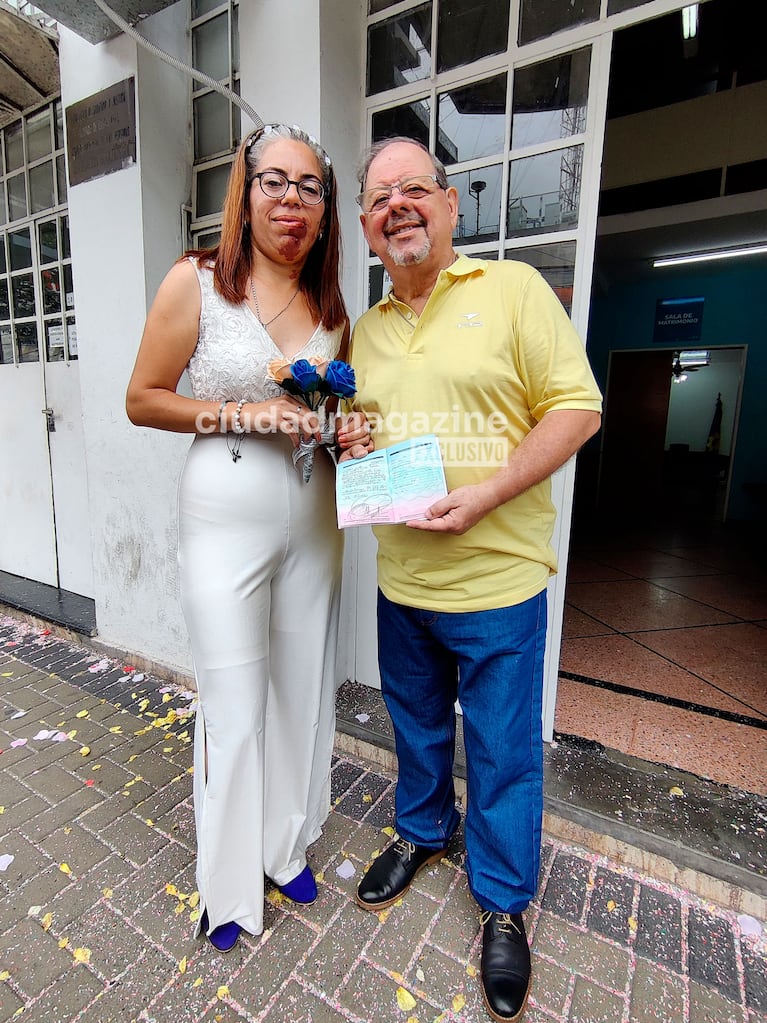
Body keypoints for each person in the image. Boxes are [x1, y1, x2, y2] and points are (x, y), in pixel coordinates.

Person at [349, 137, 602, 1022]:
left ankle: (502, 899)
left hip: (496, 582)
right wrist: (351, 441)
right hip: (401, 576)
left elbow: (576, 408)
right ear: (367, 226)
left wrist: (488, 492)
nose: (398, 208)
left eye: (414, 189)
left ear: (451, 204)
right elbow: (364, 432)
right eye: (379, 199)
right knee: (415, 727)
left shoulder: (514, 290)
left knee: (500, 753)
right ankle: (422, 832)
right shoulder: (368, 329)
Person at [126, 123, 369, 953]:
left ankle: (285, 841)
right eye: (276, 182)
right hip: (224, 507)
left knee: (302, 694)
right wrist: (242, 410)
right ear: (244, 188)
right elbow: (143, 397)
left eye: (310, 187)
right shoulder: (196, 282)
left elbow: (334, 414)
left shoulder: (331, 308)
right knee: (233, 703)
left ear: (325, 207)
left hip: (313, 513)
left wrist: (348, 428)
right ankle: (226, 887)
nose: (292, 201)